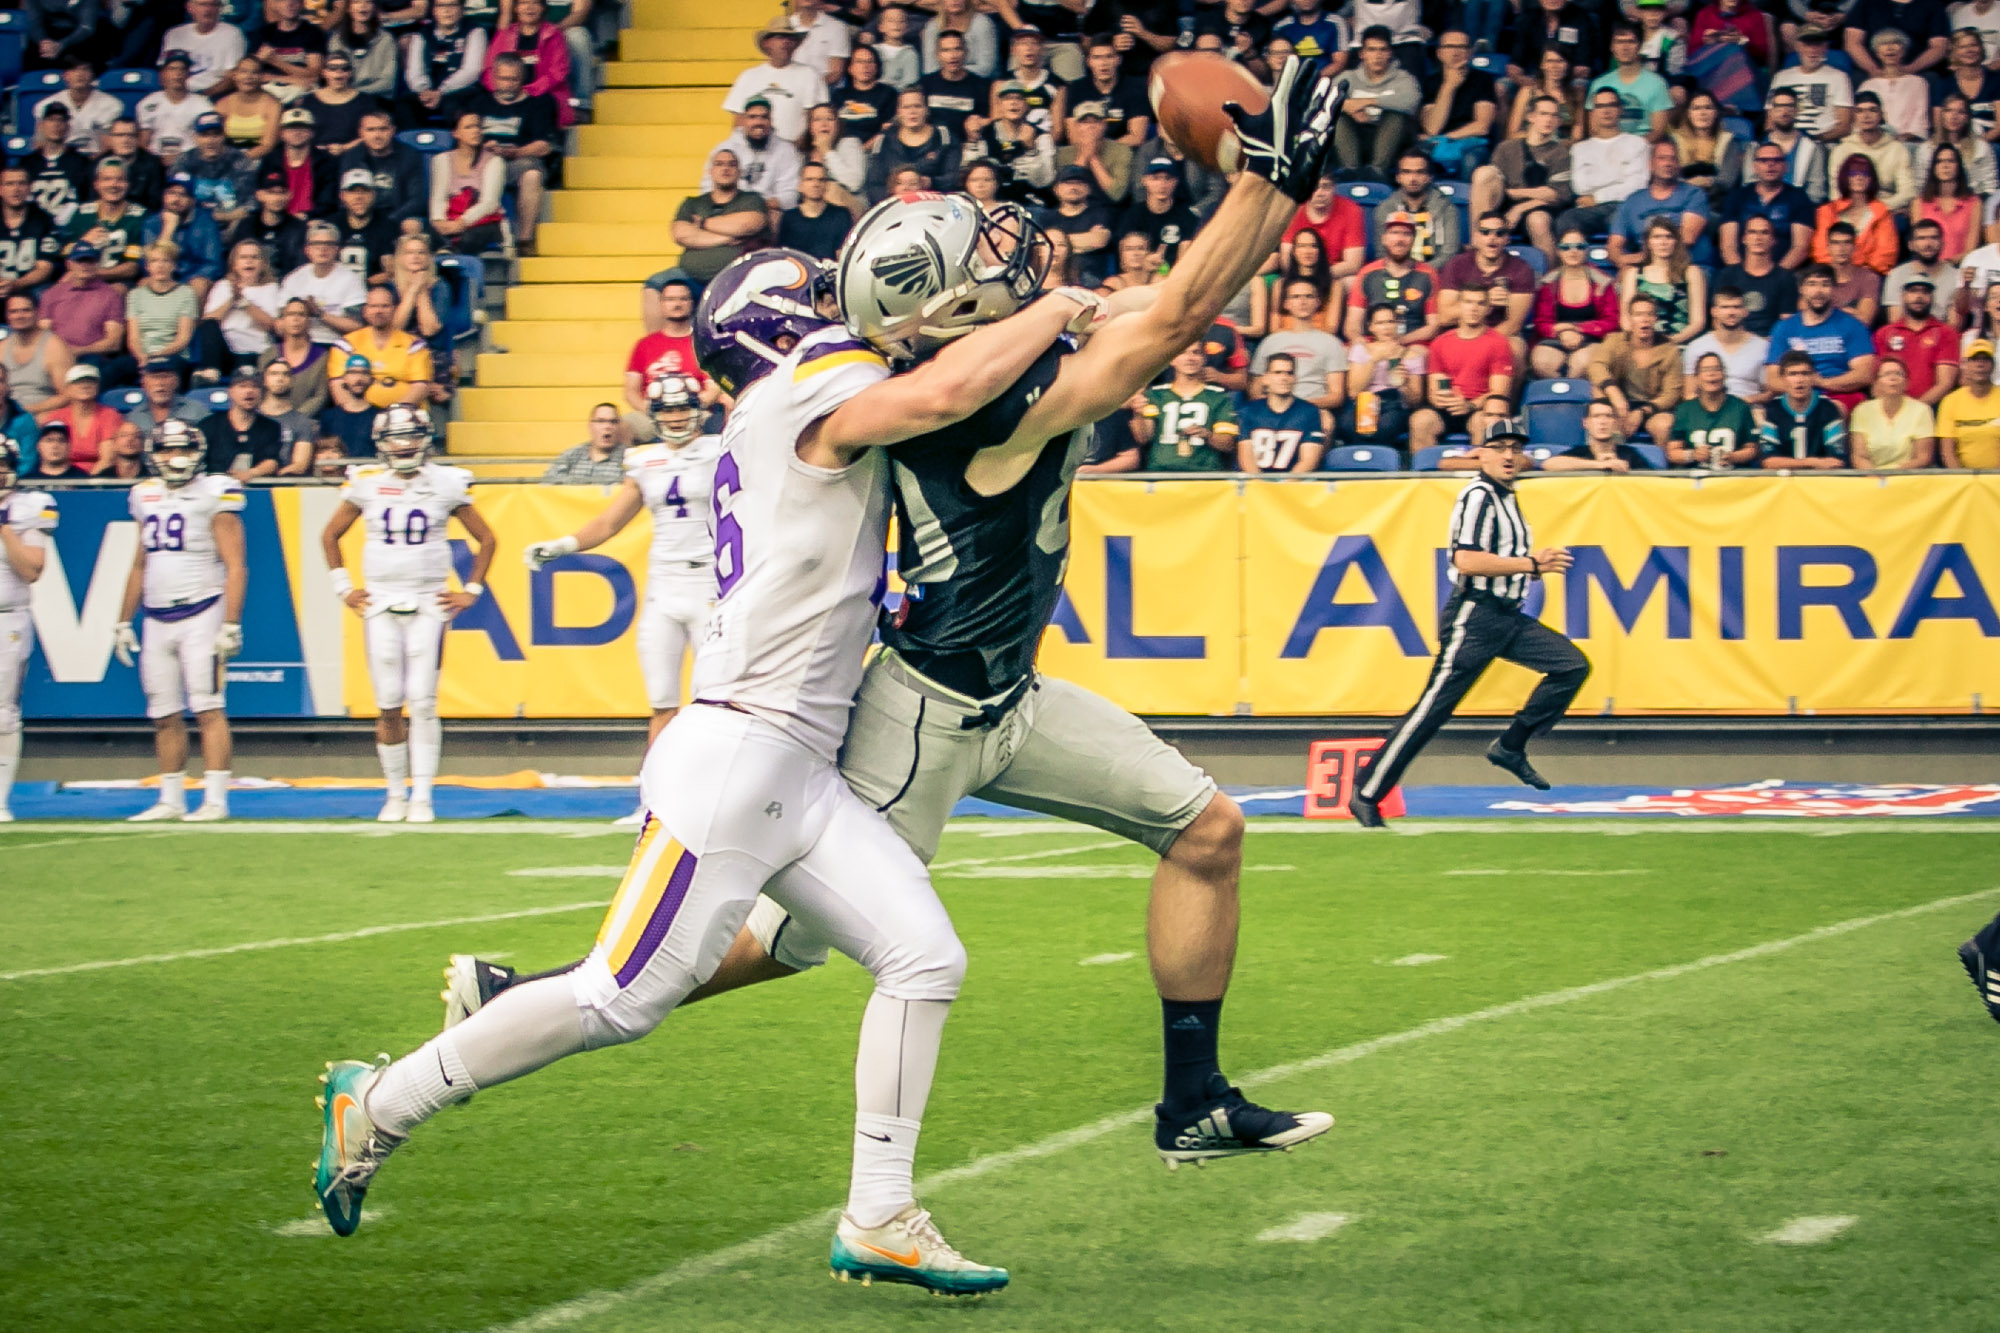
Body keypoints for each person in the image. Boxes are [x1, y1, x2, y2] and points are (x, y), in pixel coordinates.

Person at [1350, 415, 1588, 827]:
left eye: (1515, 449)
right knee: (1433, 709)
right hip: (1474, 616)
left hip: (1506, 615)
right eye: (1499, 448)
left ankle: (1511, 746)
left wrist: (1525, 568)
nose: (1509, 456)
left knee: (1570, 665)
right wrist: (1530, 563)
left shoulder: (1507, 496)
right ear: (1481, 454)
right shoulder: (1477, 496)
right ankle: (1367, 790)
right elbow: (1466, 560)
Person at [527, 377, 720, 821]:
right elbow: (611, 521)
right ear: (654, 416)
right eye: (667, 410)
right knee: (661, 701)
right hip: (663, 587)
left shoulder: (720, 450)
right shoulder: (645, 461)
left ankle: (707, 800)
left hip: (710, 585)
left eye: (682, 408)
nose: (675, 417)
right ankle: (655, 802)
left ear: (698, 410)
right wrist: (565, 545)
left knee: (712, 702)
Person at [321, 405, 494, 824]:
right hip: (380, 601)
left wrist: (471, 589)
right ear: (381, 444)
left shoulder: (447, 483)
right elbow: (330, 534)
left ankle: (422, 796)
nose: (405, 445)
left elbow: (487, 538)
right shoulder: (365, 484)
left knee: (423, 701)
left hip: (427, 602)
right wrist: (343, 586)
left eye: (412, 436)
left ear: (425, 438)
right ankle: (395, 793)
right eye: (396, 437)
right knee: (386, 702)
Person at [112, 419, 246, 823]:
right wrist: (123, 621)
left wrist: (231, 622)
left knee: (208, 708)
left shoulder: (214, 492)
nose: (177, 458)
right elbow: (139, 563)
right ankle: (170, 798)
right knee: (163, 713)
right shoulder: (144, 495)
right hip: (155, 617)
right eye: (169, 450)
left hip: (201, 610)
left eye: (184, 450)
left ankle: (216, 799)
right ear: (155, 455)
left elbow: (236, 565)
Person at [0, 448, 54, 820]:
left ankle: (0, 800)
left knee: (3, 714)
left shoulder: (29, 506)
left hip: (7, 618)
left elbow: (33, 569)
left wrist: (4, 527)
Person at [462, 53, 559, 251]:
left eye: (513, 79)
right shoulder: (478, 103)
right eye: (503, 79)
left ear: (522, 79)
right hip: (482, 162)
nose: (508, 84)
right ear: (493, 77)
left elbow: (544, 145)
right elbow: (462, 134)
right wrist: (483, 147)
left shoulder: (538, 104)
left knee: (532, 175)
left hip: (518, 163)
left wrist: (514, 152)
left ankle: (524, 240)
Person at [1473, 93, 1573, 266]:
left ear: (1558, 121)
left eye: (1554, 115)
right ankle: (1478, 241)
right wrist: (1514, 196)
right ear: (1531, 117)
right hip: (1504, 206)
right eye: (1543, 114)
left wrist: (1518, 202)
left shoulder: (1560, 152)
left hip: (1539, 208)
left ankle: (1549, 279)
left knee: (1538, 220)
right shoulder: (1507, 148)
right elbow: (1495, 185)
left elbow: (1556, 194)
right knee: (1483, 173)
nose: (1549, 120)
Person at [1767, 263, 1877, 411]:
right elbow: (1773, 380)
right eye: (1812, 284)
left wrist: (1823, 382)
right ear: (1801, 289)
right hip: (1795, 395)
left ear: (1834, 289)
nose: (1818, 291)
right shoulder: (1784, 327)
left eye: (1825, 284)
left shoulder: (1852, 325)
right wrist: (1803, 387)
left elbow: (1864, 375)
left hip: (1838, 395)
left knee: (1832, 409)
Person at [1437, 212, 1536, 368]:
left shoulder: (1521, 269)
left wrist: (1481, 344)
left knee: (1515, 348)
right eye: (1485, 232)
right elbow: (1444, 317)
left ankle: (1505, 394)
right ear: (1475, 237)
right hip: (1461, 331)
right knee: (1438, 345)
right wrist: (1485, 300)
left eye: (1499, 233)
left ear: (1507, 239)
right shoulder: (1457, 264)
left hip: (1500, 332)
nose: (1492, 237)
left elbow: (1513, 324)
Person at [1589, 293, 1683, 450]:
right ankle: (1609, 460)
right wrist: (1614, 393)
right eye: (1639, 314)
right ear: (1630, 318)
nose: (1644, 319)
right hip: (1620, 405)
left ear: (1656, 319)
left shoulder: (1669, 350)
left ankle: (1662, 469)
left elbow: (1671, 394)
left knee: (1663, 425)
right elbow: (1596, 365)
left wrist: (1642, 411)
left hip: (1653, 408)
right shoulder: (1614, 341)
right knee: (1598, 389)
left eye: (1649, 314)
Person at [1128, 342, 1242, 473]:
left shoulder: (1219, 397)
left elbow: (1228, 444)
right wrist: (1138, 414)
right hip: (1161, 473)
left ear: (1204, 359)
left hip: (1205, 476)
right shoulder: (1155, 395)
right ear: (1172, 360)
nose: (1190, 358)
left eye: (1196, 352)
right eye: (1182, 352)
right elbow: (1143, 438)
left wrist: (1207, 435)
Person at [1557, 89, 1650, 241]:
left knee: (1619, 222)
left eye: (1611, 105)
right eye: (1600, 106)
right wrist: (1618, 178)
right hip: (1588, 209)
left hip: (1623, 206)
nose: (1606, 111)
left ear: (1620, 110)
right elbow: (1580, 186)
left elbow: (1636, 186)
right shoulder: (1579, 149)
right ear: (1593, 113)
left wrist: (1598, 196)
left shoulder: (1637, 143)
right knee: (1566, 220)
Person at [1342, 305, 1435, 456]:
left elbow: (1416, 401)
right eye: (1380, 323)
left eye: (1391, 322)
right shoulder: (1361, 350)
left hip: (1395, 404)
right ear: (1371, 327)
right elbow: (1354, 391)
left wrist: (1404, 383)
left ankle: (1380, 462)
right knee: (1347, 423)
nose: (1386, 327)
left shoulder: (1412, 354)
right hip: (1365, 401)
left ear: (1398, 325)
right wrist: (1374, 360)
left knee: (1387, 424)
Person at [723, 16, 829, 145]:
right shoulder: (748, 77)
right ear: (767, 43)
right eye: (780, 37)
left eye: (790, 38)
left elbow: (816, 118)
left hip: (797, 152)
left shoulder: (810, 75)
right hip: (755, 151)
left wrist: (796, 148)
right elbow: (738, 122)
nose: (785, 42)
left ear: (795, 44)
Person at [1531, 227, 1620, 378]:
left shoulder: (1603, 281)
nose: (1573, 252)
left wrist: (1577, 329)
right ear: (1558, 251)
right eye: (1566, 247)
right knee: (1543, 362)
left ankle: (1577, 396)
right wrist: (1561, 332)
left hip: (1593, 339)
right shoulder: (1548, 283)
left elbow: (1611, 321)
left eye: (1580, 247)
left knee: (1582, 364)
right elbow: (1541, 322)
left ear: (1586, 250)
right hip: (1556, 337)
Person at [1609, 140, 1713, 270]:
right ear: (1650, 164)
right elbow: (1614, 246)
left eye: (1673, 159)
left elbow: (1686, 239)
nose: (1668, 163)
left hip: (1687, 267)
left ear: (1678, 165)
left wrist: (1637, 258)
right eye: (1662, 158)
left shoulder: (1694, 194)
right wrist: (1623, 263)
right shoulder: (1632, 201)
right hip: (1647, 269)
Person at [1331, 26, 1420, 175]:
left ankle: (1377, 173)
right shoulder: (1347, 77)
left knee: (1395, 115)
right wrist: (1347, 108)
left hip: (1393, 141)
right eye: (1371, 50)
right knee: (1339, 118)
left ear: (1390, 53)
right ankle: (1350, 172)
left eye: (1383, 50)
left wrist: (1368, 101)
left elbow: (1411, 101)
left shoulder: (1403, 78)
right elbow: (1323, 102)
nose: (1377, 56)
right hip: (1356, 136)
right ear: (1362, 54)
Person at [672, 149, 768, 287]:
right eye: (719, 164)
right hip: (689, 278)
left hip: (738, 279)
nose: (726, 168)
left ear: (739, 172)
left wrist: (702, 223)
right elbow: (681, 234)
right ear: (710, 171)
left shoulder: (752, 200)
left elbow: (747, 225)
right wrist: (728, 237)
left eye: (731, 164)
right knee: (656, 283)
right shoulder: (692, 203)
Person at [1428, 285, 1513, 441]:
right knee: (1421, 421)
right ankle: (1425, 465)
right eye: (1468, 302)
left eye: (1480, 303)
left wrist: (1470, 406)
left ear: (1488, 309)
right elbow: (1434, 391)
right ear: (1459, 306)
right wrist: (1444, 400)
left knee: (1482, 422)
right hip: (1447, 408)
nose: (1474, 308)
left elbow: (1499, 392)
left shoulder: (1499, 343)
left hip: (1478, 408)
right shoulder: (1440, 342)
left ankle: (1479, 464)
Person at [1343, 212, 1441, 345]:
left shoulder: (1428, 274)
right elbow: (1352, 326)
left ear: (1414, 239)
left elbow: (1433, 326)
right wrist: (1362, 343)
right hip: (1373, 343)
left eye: (1406, 234)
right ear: (1384, 238)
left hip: (1413, 344)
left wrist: (1399, 342)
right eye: (1394, 232)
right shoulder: (1367, 273)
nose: (1400, 239)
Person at [41, 244, 131, 387]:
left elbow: (113, 342)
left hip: (90, 356)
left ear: (96, 263)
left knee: (87, 371)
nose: (84, 266)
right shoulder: (52, 293)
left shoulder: (110, 295)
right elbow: (42, 333)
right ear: (69, 264)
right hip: (55, 356)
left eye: (89, 261)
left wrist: (77, 351)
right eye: (79, 261)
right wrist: (60, 353)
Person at [330, 286, 434, 408]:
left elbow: (421, 386)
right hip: (360, 417)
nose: (378, 311)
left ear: (394, 309)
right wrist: (356, 413)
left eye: (385, 306)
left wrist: (395, 414)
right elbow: (338, 385)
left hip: (405, 418)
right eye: (373, 306)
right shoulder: (346, 344)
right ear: (365, 310)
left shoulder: (414, 345)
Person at [1719, 141, 1817, 269]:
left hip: (1786, 274)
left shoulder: (1799, 198)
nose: (1770, 164)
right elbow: (1728, 247)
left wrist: (1775, 277)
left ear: (1786, 166)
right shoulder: (1737, 197)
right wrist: (1740, 276)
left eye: (1777, 160)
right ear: (1754, 166)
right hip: (1740, 273)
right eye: (1764, 160)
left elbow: (1800, 248)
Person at [1250, 281, 1348, 408]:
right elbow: (1255, 391)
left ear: (1317, 303)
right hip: (1273, 410)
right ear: (1286, 304)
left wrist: (1298, 407)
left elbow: (1336, 396)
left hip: (1313, 409)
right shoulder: (1270, 342)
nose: (1303, 302)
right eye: (1295, 297)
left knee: (1326, 422)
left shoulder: (1332, 343)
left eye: (1309, 296)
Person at [704, 96, 805, 213]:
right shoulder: (724, 149)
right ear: (743, 121)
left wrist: (756, 206)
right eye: (752, 117)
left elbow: (791, 196)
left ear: (771, 120)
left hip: (769, 213)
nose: (758, 122)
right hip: (728, 211)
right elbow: (707, 187)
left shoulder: (786, 150)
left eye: (764, 117)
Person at [1419, 29, 1498, 176]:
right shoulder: (1431, 82)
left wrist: (1446, 137)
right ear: (1439, 53)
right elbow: (1432, 128)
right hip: (1436, 144)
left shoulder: (1483, 79)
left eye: (1461, 47)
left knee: (1471, 160)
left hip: (1471, 144)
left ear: (1470, 52)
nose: (1455, 52)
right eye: (1449, 47)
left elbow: (1482, 127)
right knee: (1417, 158)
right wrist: (1448, 87)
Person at [1619, 216, 1708, 345]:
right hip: (1641, 344)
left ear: (1676, 242)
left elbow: (1698, 321)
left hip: (1679, 342)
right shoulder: (1633, 274)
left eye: (1669, 237)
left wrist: (1670, 342)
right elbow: (1626, 321)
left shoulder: (1691, 272)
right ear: (1648, 242)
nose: (1663, 242)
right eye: (1657, 237)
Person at [429, 111, 508, 255]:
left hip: (484, 222)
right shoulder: (442, 160)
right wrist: (439, 220)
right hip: (450, 218)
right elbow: (439, 196)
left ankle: (452, 259)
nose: (476, 131)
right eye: (469, 127)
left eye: (478, 127)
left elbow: (489, 203)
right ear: (455, 133)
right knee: (427, 234)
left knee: (468, 239)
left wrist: (461, 223)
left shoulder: (495, 161)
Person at [203, 237, 284, 374]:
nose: (249, 261)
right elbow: (209, 321)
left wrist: (243, 302)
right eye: (243, 257)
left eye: (254, 257)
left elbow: (272, 326)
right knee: (209, 327)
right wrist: (231, 300)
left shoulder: (271, 288)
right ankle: (211, 372)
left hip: (255, 350)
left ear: (263, 264)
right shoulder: (222, 286)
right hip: (224, 350)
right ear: (234, 264)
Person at [280, 221, 369, 344]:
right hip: (300, 343)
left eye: (328, 244)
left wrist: (319, 313)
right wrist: (299, 313)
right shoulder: (293, 279)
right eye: (317, 244)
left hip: (336, 344)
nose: (322, 249)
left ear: (337, 249)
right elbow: (279, 324)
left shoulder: (351, 279)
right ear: (307, 249)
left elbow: (357, 326)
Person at [1875, 274, 1959, 404]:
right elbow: (1876, 379)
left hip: (1931, 407)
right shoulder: (1885, 333)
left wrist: (1914, 411)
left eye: (1925, 292)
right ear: (1903, 296)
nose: (1919, 296)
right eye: (1913, 291)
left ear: (1932, 297)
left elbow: (1945, 383)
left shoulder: (1945, 333)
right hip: (1890, 406)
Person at [61, 161, 147, 287]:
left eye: (120, 180)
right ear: (96, 184)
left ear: (128, 184)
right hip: (82, 277)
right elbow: (68, 260)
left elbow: (132, 268)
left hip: (119, 281)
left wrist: (93, 274)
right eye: (107, 179)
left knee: (117, 289)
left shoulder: (139, 216)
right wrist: (84, 241)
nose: (113, 185)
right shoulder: (81, 214)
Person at [1760, 350, 1851, 467]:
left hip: (1819, 480)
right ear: (1782, 378)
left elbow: (1835, 461)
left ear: (1813, 377)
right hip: (1783, 481)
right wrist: (1812, 462)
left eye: (1805, 373)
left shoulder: (1829, 408)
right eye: (1792, 374)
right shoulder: (1772, 409)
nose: (1799, 380)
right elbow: (1769, 462)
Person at [1669, 351, 1762, 466]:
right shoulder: (1685, 410)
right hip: (1695, 477)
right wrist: (1693, 455)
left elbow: (1752, 449)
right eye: (1705, 370)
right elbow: (1673, 452)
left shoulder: (1740, 408)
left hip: (1732, 476)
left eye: (1716, 369)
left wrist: (1733, 457)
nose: (1711, 374)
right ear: (1696, 378)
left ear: (1724, 375)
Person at [142, 172, 225, 301]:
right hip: (162, 276)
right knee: (144, 283)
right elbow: (147, 263)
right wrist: (168, 229)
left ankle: (190, 321)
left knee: (199, 284)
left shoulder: (206, 222)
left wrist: (183, 282)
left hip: (193, 278)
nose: (176, 199)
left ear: (192, 200)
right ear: (164, 196)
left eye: (182, 195)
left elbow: (213, 264)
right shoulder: (151, 223)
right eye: (171, 193)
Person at [1830, 93, 1919, 211]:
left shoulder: (1897, 149)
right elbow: (1835, 193)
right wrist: (1857, 210)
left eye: (1872, 110)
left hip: (1887, 209)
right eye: (1860, 111)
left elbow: (1907, 192)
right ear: (1853, 116)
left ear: (1881, 115)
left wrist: (1877, 208)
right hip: (1850, 212)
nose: (1866, 116)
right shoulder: (1841, 150)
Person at [1683, 287, 1773, 402]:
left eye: (1736, 307)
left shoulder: (1763, 347)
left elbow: (1770, 393)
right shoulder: (1696, 347)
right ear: (1714, 311)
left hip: (1749, 409)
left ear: (1745, 312)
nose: (1731, 312)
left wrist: (1741, 404)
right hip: (1708, 412)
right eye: (1725, 307)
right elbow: (1689, 394)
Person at [197, 364, 288, 479]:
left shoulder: (271, 427)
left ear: (262, 393)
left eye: (255, 387)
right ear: (230, 392)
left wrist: (251, 473)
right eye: (242, 386)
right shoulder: (208, 425)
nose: (249, 391)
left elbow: (271, 462)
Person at [406, 0, 490, 124]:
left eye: (452, 5)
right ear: (434, 10)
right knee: (404, 105)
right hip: (427, 91)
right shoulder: (421, 34)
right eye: (441, 5)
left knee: (454, 105)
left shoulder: (475, 31)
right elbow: (414, 70)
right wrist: (424, 90)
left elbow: (472, 70)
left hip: (461, 90)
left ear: (462, 9)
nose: (447, 10)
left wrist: (442, 91)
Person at [1769, 26, 1855, 143]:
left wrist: (1813, 141)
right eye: (1807, 45)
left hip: (1823, 142)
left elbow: (1844, 126)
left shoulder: (1840, 77)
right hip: (1785, 141)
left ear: (1825, 48)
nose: (1812, 50)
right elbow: (1770, 122)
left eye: (1817, 45)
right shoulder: (1781, 77)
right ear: (1798, 47)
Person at [866, 90, 955, 204]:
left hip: (934, 204)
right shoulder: (884, 139)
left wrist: (932, 182)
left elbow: (953, 177)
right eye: (906, 107)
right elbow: (875, 183)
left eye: (917, 106)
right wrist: (894, 203)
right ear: (898, 112)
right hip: (893, 207)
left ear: (927, 110)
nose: (912, 112)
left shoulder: (944, 137)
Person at [1848, 357, 1939, 466]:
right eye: (1887, 374)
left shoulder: (1921, 410)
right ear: (1876, 383)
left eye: (1898, 374)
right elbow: (1859, 456)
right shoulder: (1862, 411)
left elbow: (1923, 457)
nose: (1893, 378)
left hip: (1908, 476)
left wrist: (1895, 476)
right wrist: (1875, 477)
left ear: (1906, 382)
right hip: (1872, 477)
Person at [1373, 153, 1459, 268]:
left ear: (1429, 177)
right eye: (1406, 172)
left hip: (1437, 274)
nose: (1413, 178)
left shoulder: (1447, 208)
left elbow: (1449, 253)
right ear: (1398, 177)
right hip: (1395, 272)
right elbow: (1381, 253)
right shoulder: (1385, 209)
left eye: (1420, 172)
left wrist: (1421, 273)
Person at [1063, 32, 1149, 147]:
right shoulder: (1076, 89)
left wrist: (1105, 150)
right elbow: (1074, 138)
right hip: (1084, 152)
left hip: (1124, 153)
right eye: (1097, 58)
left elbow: (1137, 137)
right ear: (1088, 62)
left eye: (1109, 56)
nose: (1103, 63)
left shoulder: (1135, 87)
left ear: (1118, 60)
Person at [1589, 23, 1674, 138]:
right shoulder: (1598, 85)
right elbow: (1594, 129)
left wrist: (1632, 148)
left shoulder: (1657, 84)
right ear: (1612, 47)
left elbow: (1658, 131)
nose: (1625, 48)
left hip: (1644, 149)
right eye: (1619, 42)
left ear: (1640, 46)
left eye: (1630, 42)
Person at [126, 242, 200, 372]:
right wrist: (142, 356)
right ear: (147, 266)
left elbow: (183, 338)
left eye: (166, 261)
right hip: (142, 356)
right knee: (113, 370)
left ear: (174, 266)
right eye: (154, 261)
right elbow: (133, 338)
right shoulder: (135, 295)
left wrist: (157, 356)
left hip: (173, 355)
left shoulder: (186, 293)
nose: (160, 266)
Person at [1118, 158, 1201, 269]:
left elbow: (1188, 259)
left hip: (1174, 276)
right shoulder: (1133, 216)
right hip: (1141, 275)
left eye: (1167, 178)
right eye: (1155, 178)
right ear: (1145, 181)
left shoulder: (1187, 216)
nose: (1162, 185)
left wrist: (1163, 270)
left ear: (1175, 182)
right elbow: (1125, 261)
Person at [1282, 173, 1365, 280]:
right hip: (1300, 273)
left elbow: (1353, 264)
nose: (1319, 193)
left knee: (1352, 281)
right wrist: (1305, 276)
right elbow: (1286, 260)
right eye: (1314, 187)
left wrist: (1317, 276)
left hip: (1335, 274)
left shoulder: (1352, 210)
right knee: (1280, 284)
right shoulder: (1294, 210)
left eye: (1325, 187)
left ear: (1334, 188)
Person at [1543, 397, 1663, 471]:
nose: (1602, 422)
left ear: (1615, 423)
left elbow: (1652, 480)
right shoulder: (1579, 452)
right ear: (1586, 423)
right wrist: (1600, 465)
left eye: (1608, 416)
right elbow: (1549, 464)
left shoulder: (1629, 454)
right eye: (1596, 416)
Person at [181, 111, 256, 229]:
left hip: (231, 223)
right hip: (194, 226)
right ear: (195, 138)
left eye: (216, 134)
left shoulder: (240, 161)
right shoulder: (185, 161)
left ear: (224, 136)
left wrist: (218, 217)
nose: (211, 140)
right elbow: (176, 199)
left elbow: (250, 205)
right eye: (204, 135)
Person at [27, 104, 95, 231]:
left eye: (61, 120)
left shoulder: (81, 163)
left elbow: (88, 201)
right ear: (41, 125)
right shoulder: (27, 164)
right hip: (34, 230)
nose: (56, 125)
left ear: (68, 126)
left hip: (72, 229)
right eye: (51, 120)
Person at [3, 293, 72, 419]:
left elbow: (67, 395)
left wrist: (27, 410)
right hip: (5, 411)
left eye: (26, 310)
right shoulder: (2, 347)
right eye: (14, 311)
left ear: (37, 312)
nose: (20, 316)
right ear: (7, 316)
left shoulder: (54, 347)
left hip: (41, 412)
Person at [162, 0, 249, 99]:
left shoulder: (233, 34)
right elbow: (165, 72)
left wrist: (204, 95)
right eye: (202, 4)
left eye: (213, 5)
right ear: (189, 7)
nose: (208, 9)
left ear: (220, 8)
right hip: (176, 94)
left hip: (212, 95)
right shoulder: (174, 34)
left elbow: (232, 76)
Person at [38, 59, 124, 156]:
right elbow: (39, 143)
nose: (79, 74)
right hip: (62, 159)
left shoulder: (111, 105)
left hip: (96, 159)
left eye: (85, 69)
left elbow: (108, 146)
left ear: (92, 74)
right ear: (65, 75)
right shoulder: (46, 105)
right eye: (74, 70)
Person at [918, 28, 992, 141]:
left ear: (966, 52)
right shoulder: (925, 84)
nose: (952, 56)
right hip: (931, 148)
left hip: (967, 147)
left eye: (957, 49)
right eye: (946, 50)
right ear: (938, 55)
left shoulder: (981, 86)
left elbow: (985, 124)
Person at [0, 165, 61, 301]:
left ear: (29, 188)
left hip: (29, 288)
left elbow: (45, 269)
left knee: (45, 293)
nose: (16, 189)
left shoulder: (44, 220)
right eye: (9, 184)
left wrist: (16, 284)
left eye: (21, 183)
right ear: (1, 189)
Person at [1912, 141, 1979, 263]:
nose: (1945, 165)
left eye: (1951, 161)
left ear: (1958, 166)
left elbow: (1971, 249)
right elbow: (1919, 244)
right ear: (1934, 168)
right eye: (1939, 161)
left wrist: (1947, 265)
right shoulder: (1919, 203)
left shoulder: (1974, 203)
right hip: (1928, 266)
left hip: (1960, 267)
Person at [1505, 46, 1586, 141]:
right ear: (1542, 65)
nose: (1554, 66)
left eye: (1560, 61)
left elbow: (1577, 135)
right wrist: (1541, 138)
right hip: (1529, 146)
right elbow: (1512, 134)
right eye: (1550, 61)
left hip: (1562, 149)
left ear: (1567, 65)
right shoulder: (1527, 92)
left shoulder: (1576, 94)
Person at [331, 170, 397, 286]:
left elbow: (390, 272)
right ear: (342, 196)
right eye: (352, 192)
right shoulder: (332, 225)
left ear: (374, 194)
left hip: (374, 292)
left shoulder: (387, 226)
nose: (358, 197)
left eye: (364, 191)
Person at [1885, 219, 1959, 320]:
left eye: (1934, 238)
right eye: (1921, 238)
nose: (1928, 244)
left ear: (1942, 243)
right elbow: (1895, 320)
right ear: (1910, 245)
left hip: (1942, 334)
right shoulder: (1897, 275)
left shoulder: (1956, 276)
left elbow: (1954, 327)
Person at [252, 0, 328, 97]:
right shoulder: (264, 33)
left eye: (295, 1)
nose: (289, 4)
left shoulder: (313, 33)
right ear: (276, 5)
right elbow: (250, 71)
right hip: (269, 91)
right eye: (283, 1)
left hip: (302, 92)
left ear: (302, 5)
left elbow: (314, 74)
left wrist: (275, 61)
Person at [214, 57, 282, 161]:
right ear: (235, 75)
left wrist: (240, 160)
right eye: (243, 71)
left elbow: (267, 145)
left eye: (254, 72)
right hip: (227, 159)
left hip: (260, 160)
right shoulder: (222, 105)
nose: (248, 77)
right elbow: (216, 139)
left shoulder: (273, 105)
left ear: (261, 77)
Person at [540, 401, 625, 483]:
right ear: (590, 426)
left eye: (613, 422)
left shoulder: (628, 457)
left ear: (619, 427)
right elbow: (547, 487)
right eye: (600, 421)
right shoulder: (571, 455)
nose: (607, 426)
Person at [331, 0, 400, 101]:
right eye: (356, 2)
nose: (363, 6)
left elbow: (388, 82)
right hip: (344, 98)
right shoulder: (337, 40)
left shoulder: (386, 39)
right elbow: (333, 74)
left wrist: (356, 93)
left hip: (377, 98)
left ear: (374, 7)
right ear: (348, 8)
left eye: (368, 2)